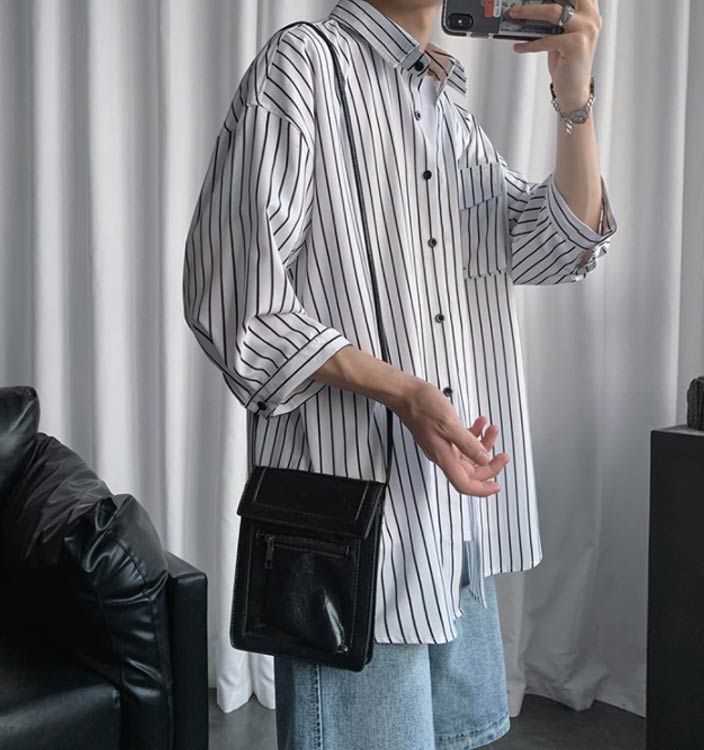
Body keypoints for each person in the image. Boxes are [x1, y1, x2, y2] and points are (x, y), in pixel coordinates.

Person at [182, 0, 617, 747]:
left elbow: (559, 243)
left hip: (451, 538)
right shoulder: (303, 67)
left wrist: (573, 95)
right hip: (350, 547)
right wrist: (404, 392)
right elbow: (234, 300)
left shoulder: (449, 115)